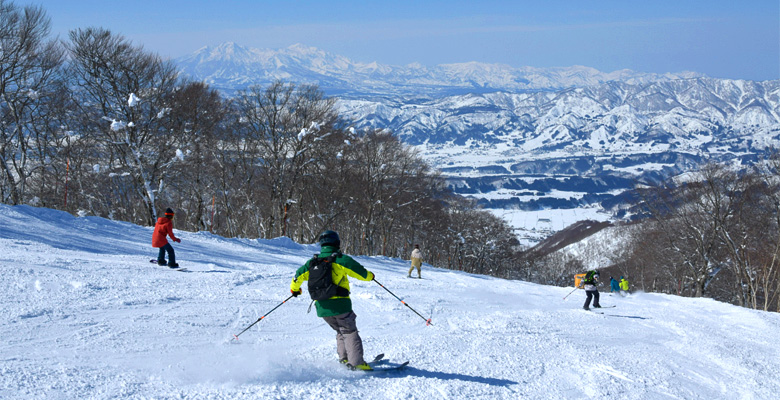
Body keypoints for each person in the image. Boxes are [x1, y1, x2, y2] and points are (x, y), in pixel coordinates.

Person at [290, 230, 376, 371]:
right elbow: (361, 273)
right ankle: (357, 363)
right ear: (337, 243)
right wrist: (370, 276)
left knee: (340, 330)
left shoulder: (312, 262)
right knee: (349, 331)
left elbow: (296, 277)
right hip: (340, 306)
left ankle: (344, 359)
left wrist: (295, 290)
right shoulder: (341, 259)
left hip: (322, 308)